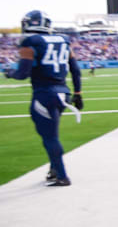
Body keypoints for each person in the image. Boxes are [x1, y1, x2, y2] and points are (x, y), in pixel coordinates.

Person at [4, 10, 83, 186]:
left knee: (50, 137)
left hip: (44, 94)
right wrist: (78, 93)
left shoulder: (29, 42)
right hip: (64, 92)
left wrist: (10, 73)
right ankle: (54, 169)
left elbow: (23, 73)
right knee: (52, 135)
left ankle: (62, 176)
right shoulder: (64, 40)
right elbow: (75, 70)